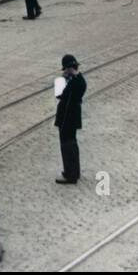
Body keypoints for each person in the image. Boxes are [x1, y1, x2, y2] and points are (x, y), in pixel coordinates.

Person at [55, 54, 86, 184]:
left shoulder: (77, 81)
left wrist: (65, 81)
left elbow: (63, 96)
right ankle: (73, 171)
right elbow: (59, 96)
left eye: (65, 69)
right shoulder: (76, 80)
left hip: (68, 119)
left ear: (68, 68)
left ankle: (70, 174)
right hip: (67, 118)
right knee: (70, 145)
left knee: (68, 146)